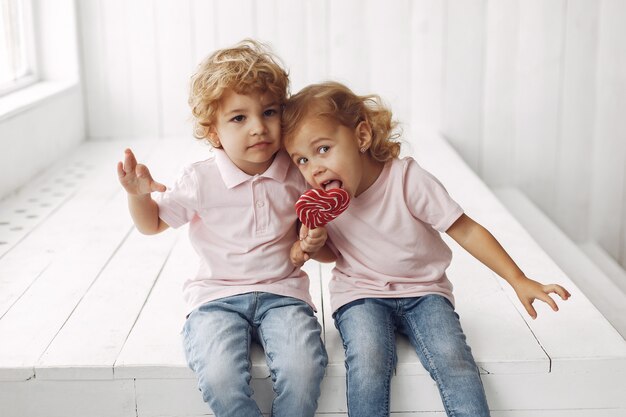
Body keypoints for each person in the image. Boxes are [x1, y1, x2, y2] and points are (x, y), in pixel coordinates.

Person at [283, 81, 571, 417]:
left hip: (424, 291)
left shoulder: (406, 180)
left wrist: (518, 278)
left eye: (323, 149)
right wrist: (314, 244)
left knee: (453, 358)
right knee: (368, 360)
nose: (313, 168)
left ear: (361, 137)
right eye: (301, 159)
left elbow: (466, 229)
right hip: (360, 293)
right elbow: (332, 255)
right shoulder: (321, 203)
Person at [116, 39, 327, 417]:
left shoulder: (297, 172)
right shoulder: (200, 179)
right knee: (219, 376)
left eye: (269, 112)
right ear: (212, 133)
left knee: (304, 368)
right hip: (216, 299)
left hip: (284, 293)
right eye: (238, 118)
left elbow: (311, 234)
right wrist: (137, 195)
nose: (258, 128)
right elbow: (152, 224)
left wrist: (310, 239)